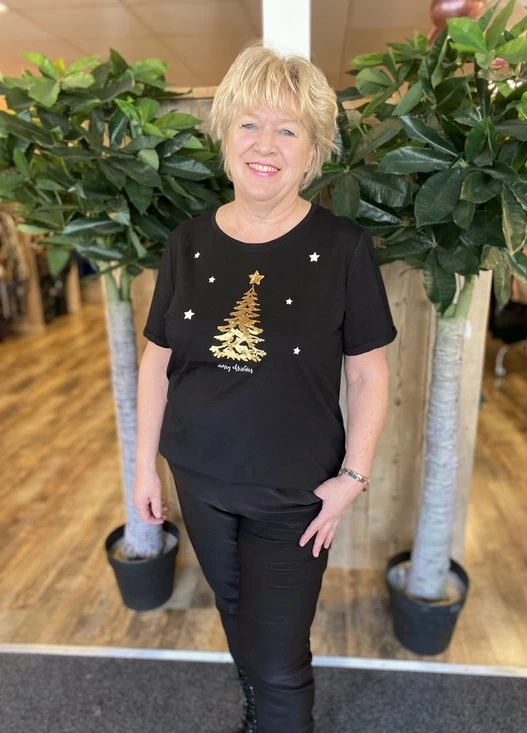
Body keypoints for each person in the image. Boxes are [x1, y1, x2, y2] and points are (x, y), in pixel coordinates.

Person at [133, 43, 398, 733]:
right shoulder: (187, 243)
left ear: (313, 153)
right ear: (225, 134)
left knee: (280, 659)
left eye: (288, 130)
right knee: (235, 613)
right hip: (200, 478)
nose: (265, 145)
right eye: (249, 123)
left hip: (294, 495)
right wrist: (144, 467)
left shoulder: (343, 248)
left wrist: (353, 477)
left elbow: (368, 371)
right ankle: (256, 712)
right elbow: (157, 361)